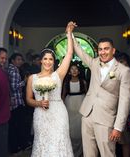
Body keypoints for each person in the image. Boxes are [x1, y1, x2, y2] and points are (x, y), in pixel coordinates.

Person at [68, 22, 130, 157]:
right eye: (100, 49)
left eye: (106, 49)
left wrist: (118, 127)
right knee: (88, 153)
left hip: (106, 119)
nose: (102, 52)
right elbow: (79, 50)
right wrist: (70, 33)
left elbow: (125, 102)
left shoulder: (123, 71)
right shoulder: (95, 63)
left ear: (113, 50)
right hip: (87, 115)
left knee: (107, 153)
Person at [26, 21, 74, 157]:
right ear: (41, 60)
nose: (48, 62)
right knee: (42, 143)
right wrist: (39, 103)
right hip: (41, 115)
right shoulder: (32, 78)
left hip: (58, 113)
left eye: (51, 59)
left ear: (54, 61)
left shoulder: (58, 75)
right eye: (45, 59)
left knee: (60, 142)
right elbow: (28, 99)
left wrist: (69, 34)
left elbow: (69, 53)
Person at [62, 62, 87, 157]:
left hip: (81, 103)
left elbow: (87, 94)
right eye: (72, 69)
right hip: (70, 104)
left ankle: (81, 151)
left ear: (79, 71)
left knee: (80, 126)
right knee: (72, 128)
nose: (74, 71)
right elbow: (63, 96)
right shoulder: (66, 83)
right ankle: (71, 150)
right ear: (69, 72)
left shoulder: (83, 82)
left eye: (76, 69)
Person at [7, 53, 27, 154]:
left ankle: (15, 147)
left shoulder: (9, 69)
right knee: (17, 126)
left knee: (14, 126)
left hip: (13, 102)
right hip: (16, 102)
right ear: (13, 60)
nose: (20, 61)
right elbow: (14, 87)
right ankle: (16, 147)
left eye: (21, 59)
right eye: (18, 59)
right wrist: (25, 81)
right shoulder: (14, 70)